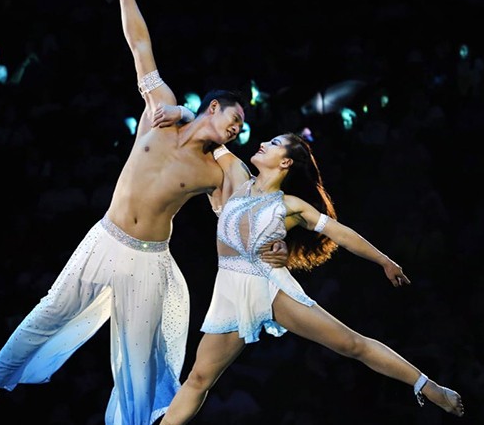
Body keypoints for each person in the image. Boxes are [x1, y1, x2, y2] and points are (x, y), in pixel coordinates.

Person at [0, 0, 288, 424]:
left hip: (148, 260)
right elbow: (139, 45)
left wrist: (274, 241)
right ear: (214, 106)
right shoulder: (160, 112)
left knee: (138, 365)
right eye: (235, 117)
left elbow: (241, 212)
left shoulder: (216, 170)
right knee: (51, 310)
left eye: (241, 128)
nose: (237, 128)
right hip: (105, 239)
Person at [156, 132, 465, 424]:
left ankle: (429, 387)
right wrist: (171, 112)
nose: (264, 142)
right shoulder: (237, 176)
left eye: (274, 142)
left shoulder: (289, 205)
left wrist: (384, 261)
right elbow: (208, 133)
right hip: (229, 291)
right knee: (198, 378)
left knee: (350, 344)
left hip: (268, 286)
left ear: (286, 162)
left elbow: (342, 234)